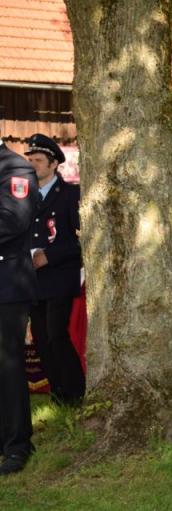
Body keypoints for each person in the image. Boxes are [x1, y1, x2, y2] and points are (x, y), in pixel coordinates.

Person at [23, 134, 85, 406]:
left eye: (38, 160)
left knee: (56, 334)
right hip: (32, 279)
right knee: (40, 337)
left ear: (53, 164)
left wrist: (50, 255)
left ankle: (74, 391)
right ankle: (57, 392)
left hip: (60, 276)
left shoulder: (71, 194)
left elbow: (84, 240)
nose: (32, 165)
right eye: (30, 160)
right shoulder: (25, 196)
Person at [0, 139, 40, 476]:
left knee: (8, 366)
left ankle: (17, 444)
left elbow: (12, 221)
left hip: (7, 284)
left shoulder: (16, 168)